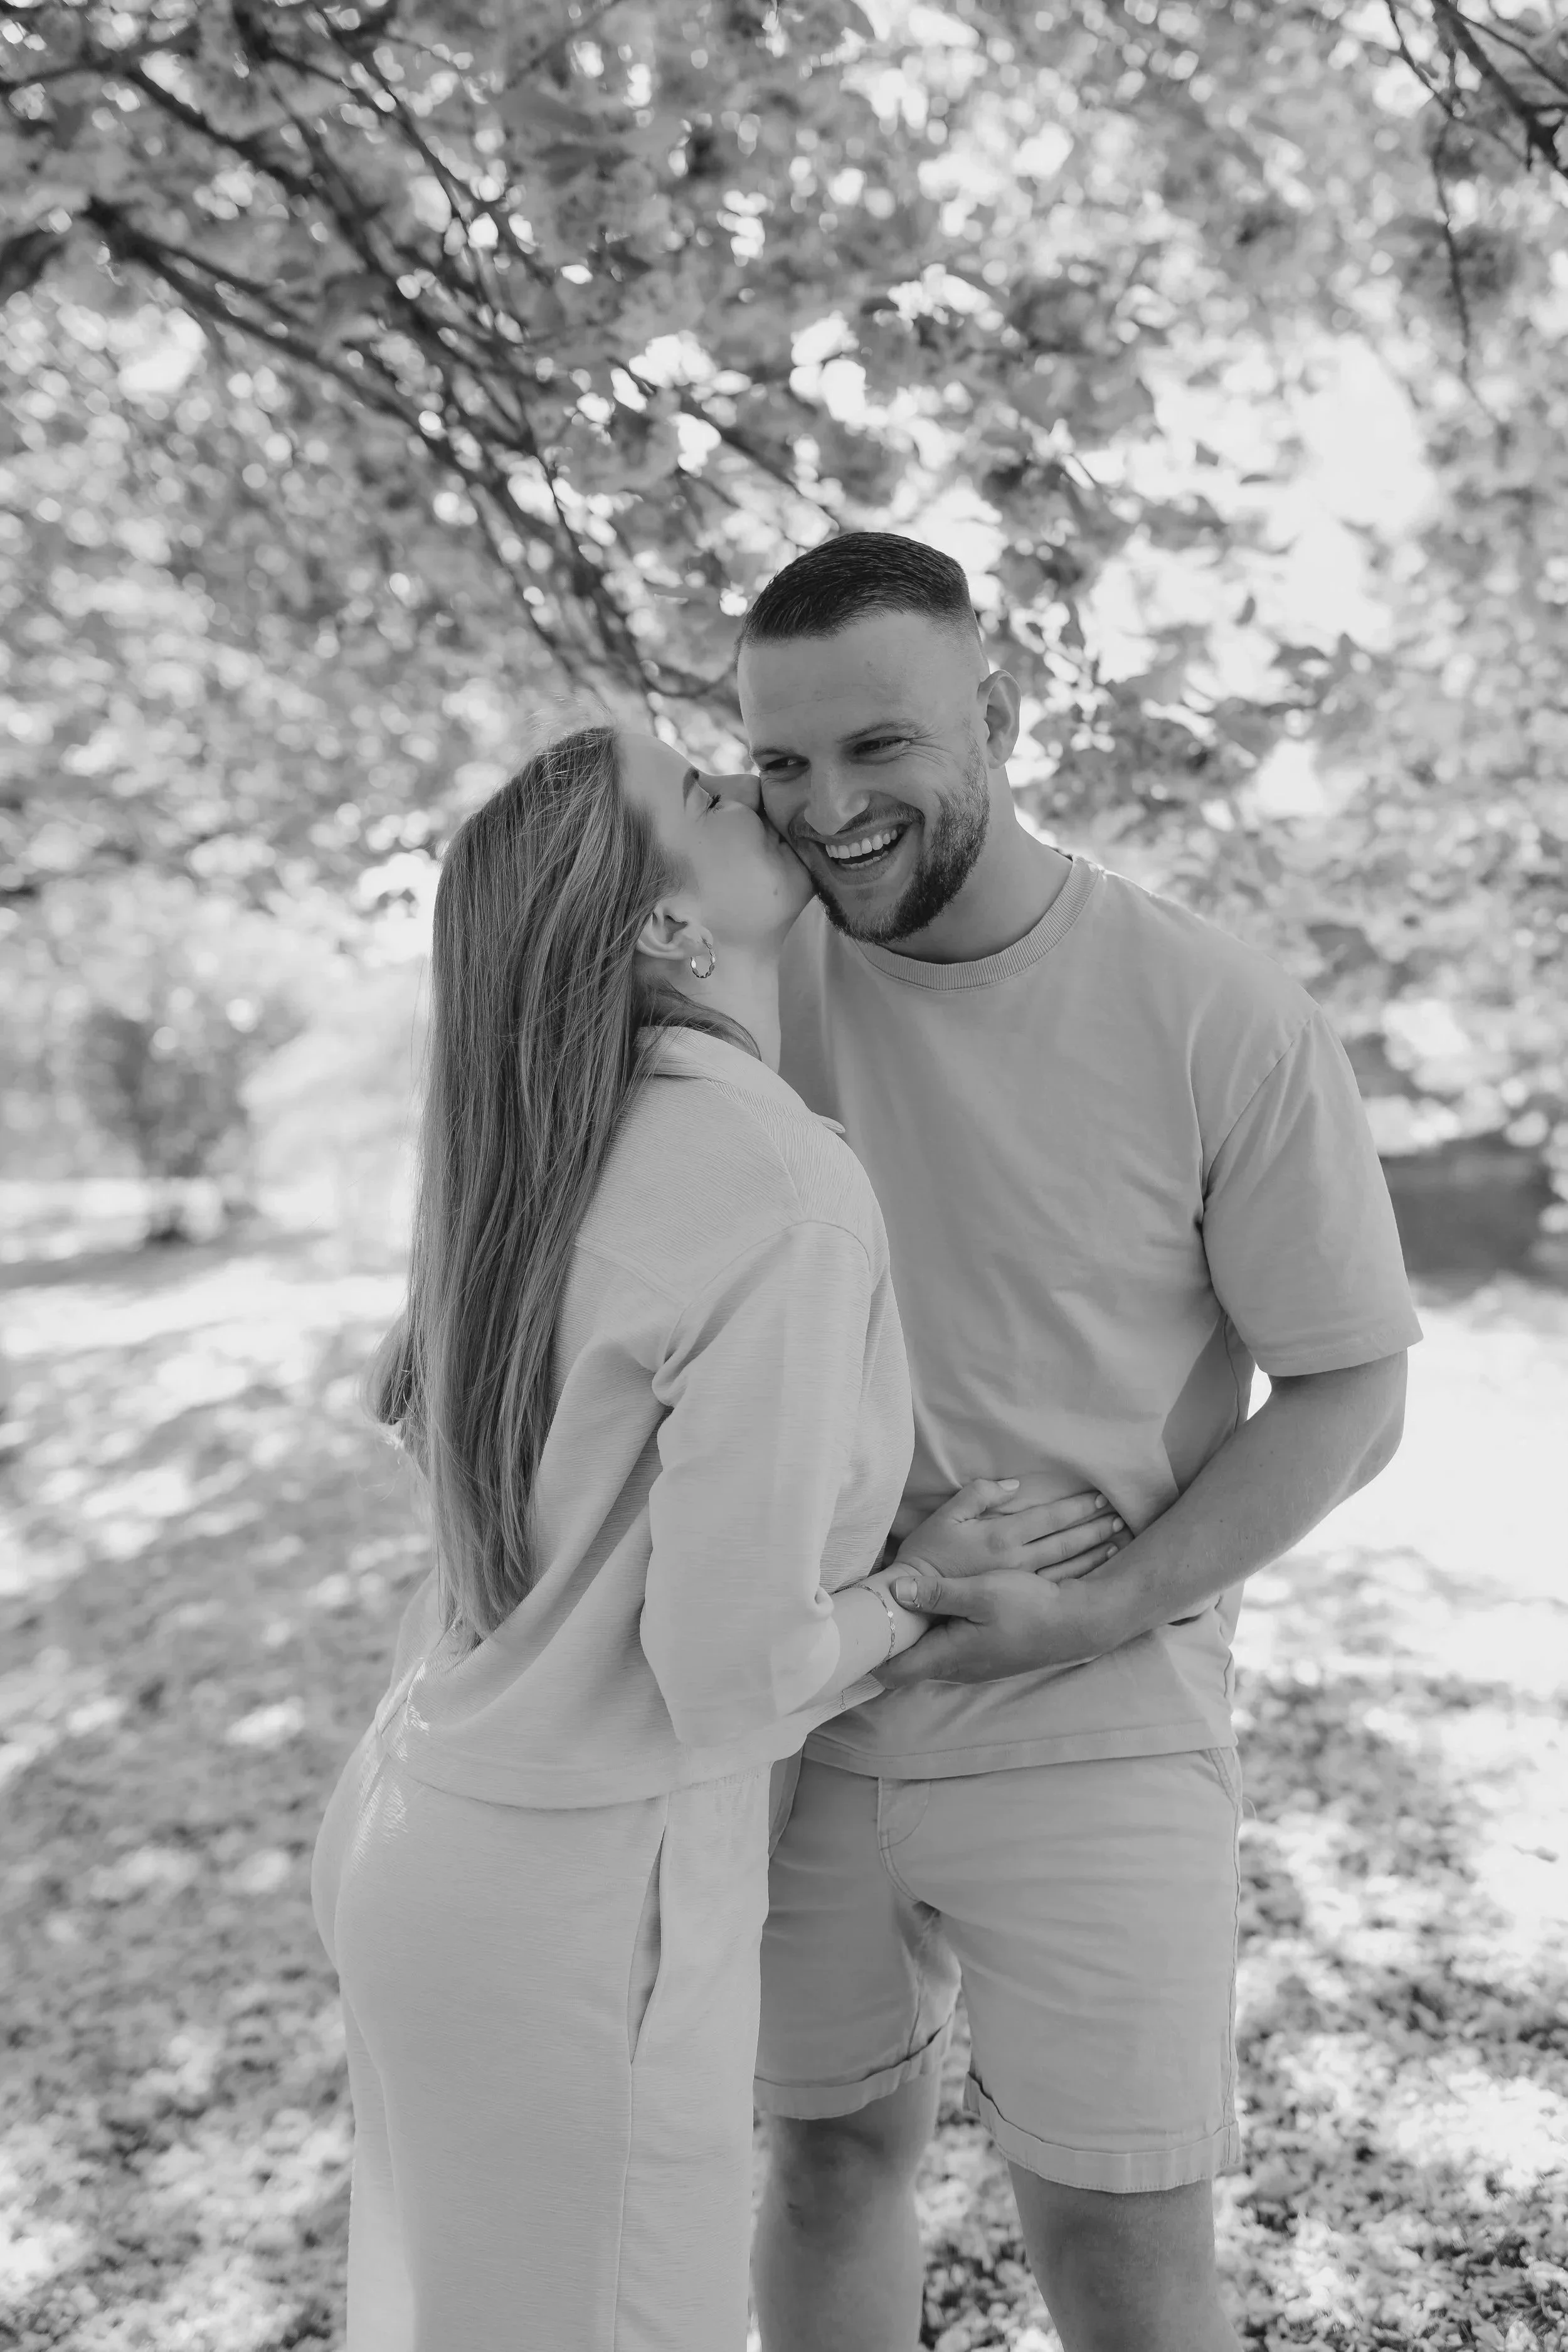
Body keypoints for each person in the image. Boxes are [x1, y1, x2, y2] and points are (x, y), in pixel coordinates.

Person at [308, 722, 1120, 2352]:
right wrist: (913, 1585)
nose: (757, 792)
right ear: (667, 928)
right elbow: (728, 1667)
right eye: (705, 795)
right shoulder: (766, 1181)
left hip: (419, 1844)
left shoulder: (537, 1142)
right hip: (570, 1914)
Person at [738, 534, 1422, 2352]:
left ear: (1005, 713)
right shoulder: (734, 983)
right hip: (798, 1715)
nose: (826, 807)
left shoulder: (1218, 1013)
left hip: (1092, 1719)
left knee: (1119, 2255)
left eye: (879, 747)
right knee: (819, 2166)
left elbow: (1351, 1387)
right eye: (780, 765)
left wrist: (1104, 1600)